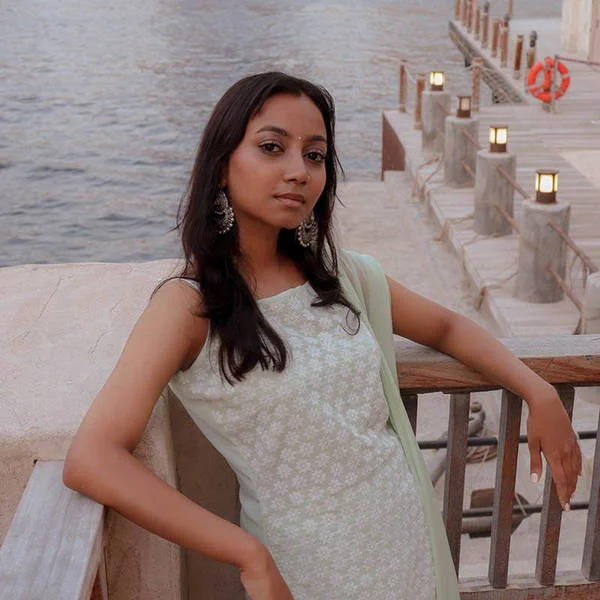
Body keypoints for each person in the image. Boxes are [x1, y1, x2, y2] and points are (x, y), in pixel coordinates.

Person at [63, 72, 582, 600]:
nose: (299, 171)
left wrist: (537, 390)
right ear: (222, 164)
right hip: (305, 566)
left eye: (315, 155)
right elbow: (93, 458)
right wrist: (247, 554)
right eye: (272, 148)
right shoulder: (190, 307)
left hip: (404, 537)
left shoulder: (339, 276)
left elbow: (446, 326)